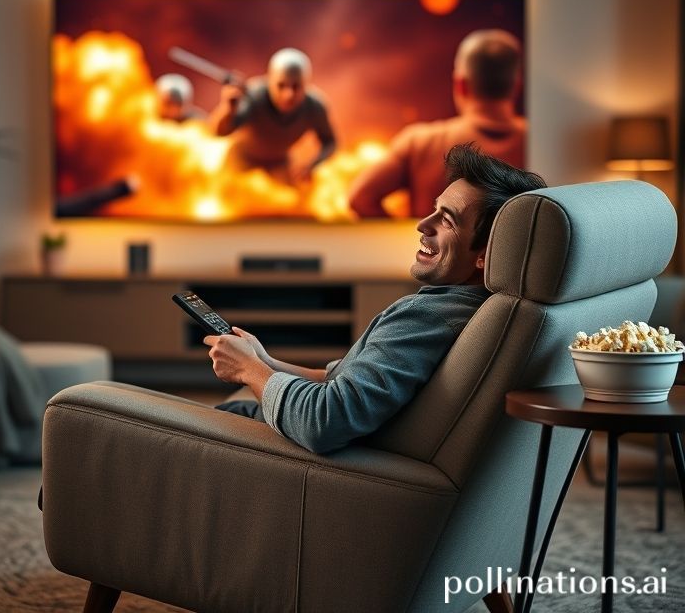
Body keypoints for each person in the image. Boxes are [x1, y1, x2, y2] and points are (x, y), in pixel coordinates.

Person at [205, 143, 546, 454]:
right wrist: (264, 361)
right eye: (433, 209)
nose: (422, 225)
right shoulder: (480, 307)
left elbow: (325, 421)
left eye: (447, 221)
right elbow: (342, 383)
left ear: (486, 254)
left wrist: (248, 370)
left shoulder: (426, 318)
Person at [348, 29, 526, 218]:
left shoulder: (420, 143)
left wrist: (406, 241)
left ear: (461, 84)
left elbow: (360, 198)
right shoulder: (544, 142)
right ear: (516, 86)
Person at [209, 48, 336, 182]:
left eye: (296, 86)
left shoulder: (315, 107)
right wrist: (229, 109)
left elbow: (330, 142)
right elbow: (219, 132)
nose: (289, 95)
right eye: (281, 86)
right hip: (240, 162)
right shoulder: (254, 96)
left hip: (279, 165)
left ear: (306, 84)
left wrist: (311, 165)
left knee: (293, 199)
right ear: (270, 81)